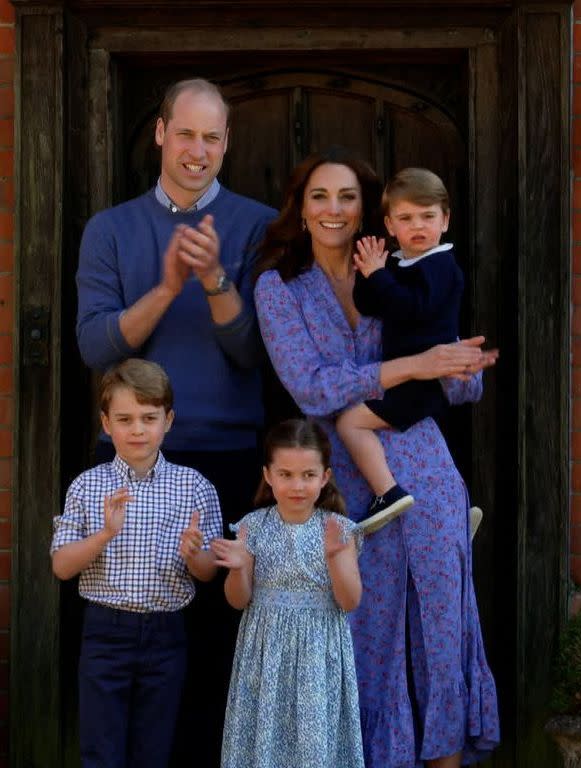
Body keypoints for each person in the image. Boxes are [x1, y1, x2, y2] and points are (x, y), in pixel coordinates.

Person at [253, 147, 500, 768]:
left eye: (347, 197)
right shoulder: (279, 287)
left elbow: (451, 371)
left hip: (425, 459)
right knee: (366, 634)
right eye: (319, 196)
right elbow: (310, 386)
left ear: (370, 211)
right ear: (300, 209)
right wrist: (415, 365)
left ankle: (446, 758)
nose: (333, 209)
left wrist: (462, 367)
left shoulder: (401, 264)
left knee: (442, 625)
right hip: (344, 479)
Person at [75, 77, 277, 763]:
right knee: (127, 639)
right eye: (185, 133)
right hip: (130, 458)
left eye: (211, 137)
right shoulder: (111, 229)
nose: (197, 150)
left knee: (216, 639)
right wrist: (166, 287)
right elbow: (97, 347)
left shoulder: (258, 225)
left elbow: (253, 352)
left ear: (227, 144)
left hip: (225, 455)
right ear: (160, 132)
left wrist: (216, 278)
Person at [50, 359, 223, 768]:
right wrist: (105, 534)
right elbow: (61, 567)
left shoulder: (194, 486)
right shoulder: (88, 486)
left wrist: (193, 553)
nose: (138, 430)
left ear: (169, 420)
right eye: (125, 419)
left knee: (154, 749)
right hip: (105, 632)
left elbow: (208, 572)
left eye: (149, 418)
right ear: (106, 424)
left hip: (166, 634)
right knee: (101, 749)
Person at [210, 419, 364, 768]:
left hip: (318, 652)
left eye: (308, 475)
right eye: (286, 474)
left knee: (313, 745)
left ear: (325, 477)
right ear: (268, 475)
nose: (297, 485)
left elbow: (350, 601)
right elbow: (238, 600)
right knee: (265, 740)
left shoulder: (338, 530)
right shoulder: (253, 526)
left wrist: (337, 559)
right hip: (266, 652)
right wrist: (237, 567)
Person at [336, 168, 464, 533]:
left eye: (428, 216)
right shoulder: (400, 263)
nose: (418, 226)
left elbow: (413, 309)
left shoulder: (441, 266)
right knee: (421, 452)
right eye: (406, 218)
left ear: (445, 220)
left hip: (422, 383)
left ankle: (387, 493)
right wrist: (369, 272)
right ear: (390, 226)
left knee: (350, 422)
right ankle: (448, 513)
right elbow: (370, 304)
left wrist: (380, 275)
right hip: (405, 377)